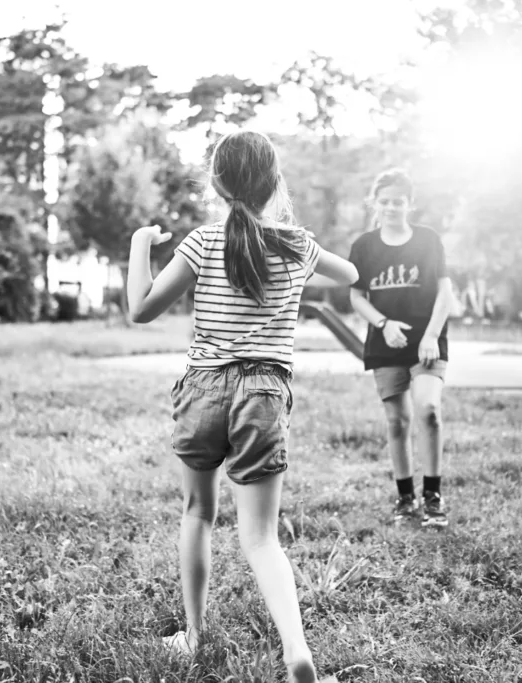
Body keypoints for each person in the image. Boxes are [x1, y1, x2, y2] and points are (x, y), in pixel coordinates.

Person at [126, 130, 357, 683]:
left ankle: (195, 634)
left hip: (204, 388)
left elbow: (141, 308)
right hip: (262, 394)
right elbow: (348, 274)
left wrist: (140, 244)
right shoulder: (296, 245)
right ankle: (296, 649)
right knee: (261, 538)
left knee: (198, 514)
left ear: (218, 183)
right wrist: (304, 248)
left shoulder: (202, 241)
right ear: (273, 181)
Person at [347, 169, 453, 528]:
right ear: (375, 203)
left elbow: (445, 292)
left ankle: (433, 497)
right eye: (385, 201)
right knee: (397, 421)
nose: (392, 207)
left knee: (429, 410)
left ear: (410, 204)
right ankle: (406, 498)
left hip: (427, 344)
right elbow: (356, 296)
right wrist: (383, 323)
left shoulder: (427, 240)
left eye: (399, 201)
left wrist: (431, 336)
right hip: (385, 343)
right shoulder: (364, 246)